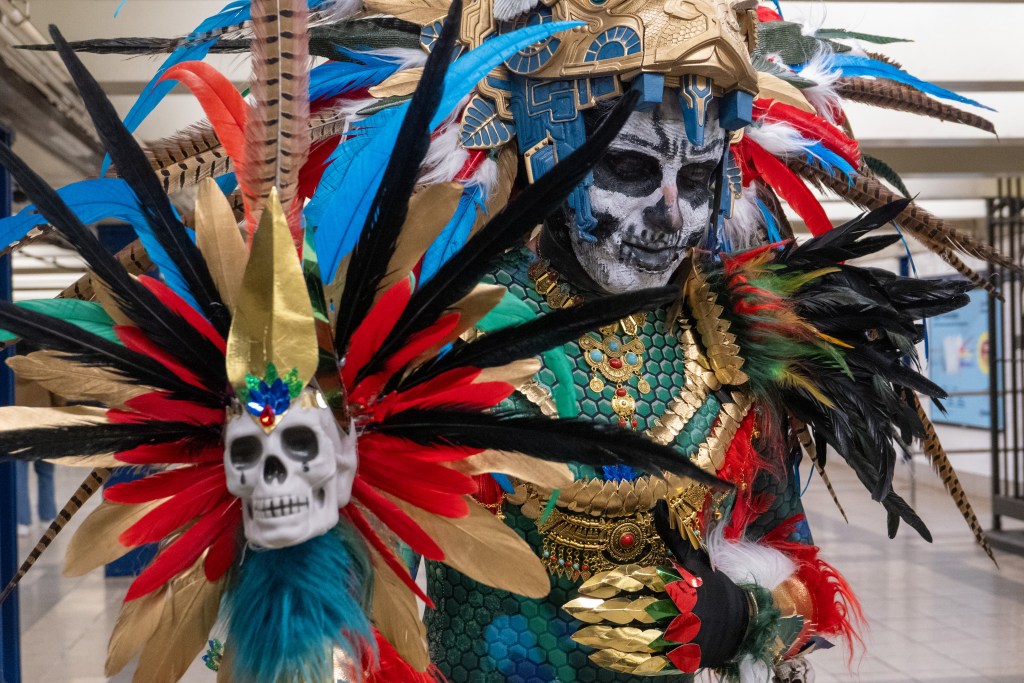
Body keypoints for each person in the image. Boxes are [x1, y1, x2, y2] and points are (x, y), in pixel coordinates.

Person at [14, 370, 57, 536]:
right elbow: (57, 390)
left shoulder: (8, 361)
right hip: (44, 421)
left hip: (17, 424)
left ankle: (22, 522)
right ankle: (48, 517)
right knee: (46, 473)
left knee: (19, 475)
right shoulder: (41, 361)